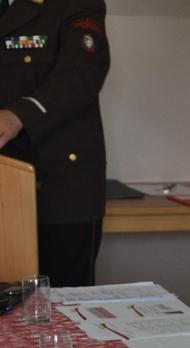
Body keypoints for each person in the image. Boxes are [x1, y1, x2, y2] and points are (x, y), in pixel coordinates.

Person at [0, 0, 110, 287]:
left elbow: (81, 75)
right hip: (5, 190)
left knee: (63, 302)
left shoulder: (73, 3)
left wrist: (18, 116)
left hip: (60, 192)